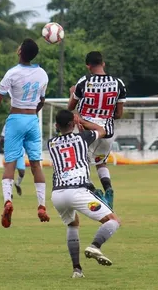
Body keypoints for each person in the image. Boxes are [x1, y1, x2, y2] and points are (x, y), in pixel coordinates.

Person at [49, 109, 121, 278]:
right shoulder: (83, 137)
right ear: (73, 124)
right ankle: (95, 246)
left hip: (58, 194)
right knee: (113, 221)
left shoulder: (51, 143)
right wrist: (82, 121)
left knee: (73, 224)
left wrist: (74, 122)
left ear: (56, 126)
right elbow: (103, 131)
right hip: (78, 191)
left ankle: (77, 270)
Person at [0, 38, 50, 227]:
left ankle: (8, 201)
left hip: (15, 119)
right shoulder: (42, 74)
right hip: (32, 120)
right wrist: (32, 113)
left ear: (20, 51)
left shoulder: (13, 73)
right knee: (36, 165)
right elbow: (41, 101)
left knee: (10, 165)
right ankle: (41, 206)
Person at [68, 51, 127, 209]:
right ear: (103, 63)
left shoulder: (84, 82)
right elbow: (119, 114)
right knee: (101, 163)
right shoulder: (118, 83)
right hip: (107, 132)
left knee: (80, 167)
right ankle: (108, 189)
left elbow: (70, 107)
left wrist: (72, 92)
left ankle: (96, 194)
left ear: (88, 66)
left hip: (86, 130)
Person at [0, 124, 26, 196]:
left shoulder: (23, 124)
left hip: (20, 151)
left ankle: (17, 184)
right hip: (10, 151)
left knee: (22, 172)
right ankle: (9, 192)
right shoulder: (7, 124)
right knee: (10, 171)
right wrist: (3, 147)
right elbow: (2, 137)